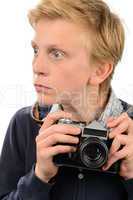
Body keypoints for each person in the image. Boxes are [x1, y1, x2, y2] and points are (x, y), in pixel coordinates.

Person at [1, 0, 133, 199]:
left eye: (56, 54)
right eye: (36, 50)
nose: (37, 66)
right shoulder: (24, 124)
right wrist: (39, 177)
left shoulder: (130, 132)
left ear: (100, 70)